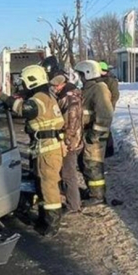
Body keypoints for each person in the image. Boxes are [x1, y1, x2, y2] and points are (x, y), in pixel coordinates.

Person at [0, 65, 65, 237]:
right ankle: (45, 219)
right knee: (43, 184)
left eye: (24, 82)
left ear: (31, 81)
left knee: (48, 186)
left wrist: (5, 98)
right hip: (49, 147)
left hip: (47, 149)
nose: (23, 85)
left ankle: (51, 225)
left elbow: (25, 109)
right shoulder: (46, 95)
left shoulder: (39, 98)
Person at [75, 60, 114, 206]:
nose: (80, 78)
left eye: (80, 75)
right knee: (85, 163)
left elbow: (105, 114)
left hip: (95, 135)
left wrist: (95, 133)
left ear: (87, 73)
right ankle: (93, 191)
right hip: (87, 133)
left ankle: (97, 196)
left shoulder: (99, 88)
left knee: (93, 164)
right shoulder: (88, 88)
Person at [50, 73, 85, 215]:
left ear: (62, 85)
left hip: (70, 142)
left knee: (68, 174)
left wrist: (66, 140)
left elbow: (71, 122)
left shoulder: (68, 98)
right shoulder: (75, 94)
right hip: (76, 139)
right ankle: (73, 201)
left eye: (55, 86)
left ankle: (73, 205)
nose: (54, 89)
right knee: (68, 172)